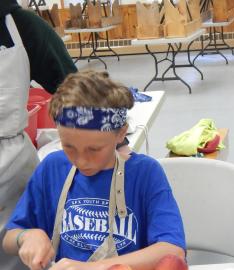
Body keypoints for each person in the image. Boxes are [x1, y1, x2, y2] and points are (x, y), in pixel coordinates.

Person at [2, 71, 186, 270]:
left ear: (121, 133)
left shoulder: (145, 174)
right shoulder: (52, 168)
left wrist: (92, 268)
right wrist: (27, 236)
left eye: (94, 149)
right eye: (69, 147)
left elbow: (172, 250)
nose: (81, 161)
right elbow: (9, 239)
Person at [0, 1, 77, 269]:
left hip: (11, 176)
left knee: (22, 255)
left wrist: (116, 146)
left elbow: (76, 91)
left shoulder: (21, 27)